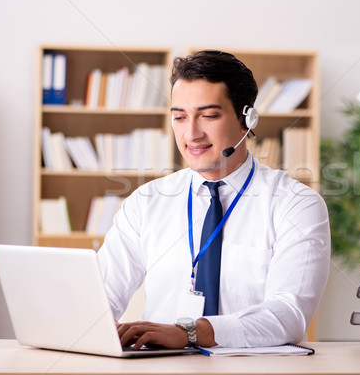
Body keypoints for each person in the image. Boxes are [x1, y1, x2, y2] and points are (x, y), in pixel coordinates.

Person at [97, 50, 330, 350]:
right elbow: (99, 298)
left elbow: (288, 314)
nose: (191, 133)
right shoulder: (146, 202)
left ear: (247, 119)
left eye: (208, 116)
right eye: (180, 117)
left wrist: (190, 332)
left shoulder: (295, 205)